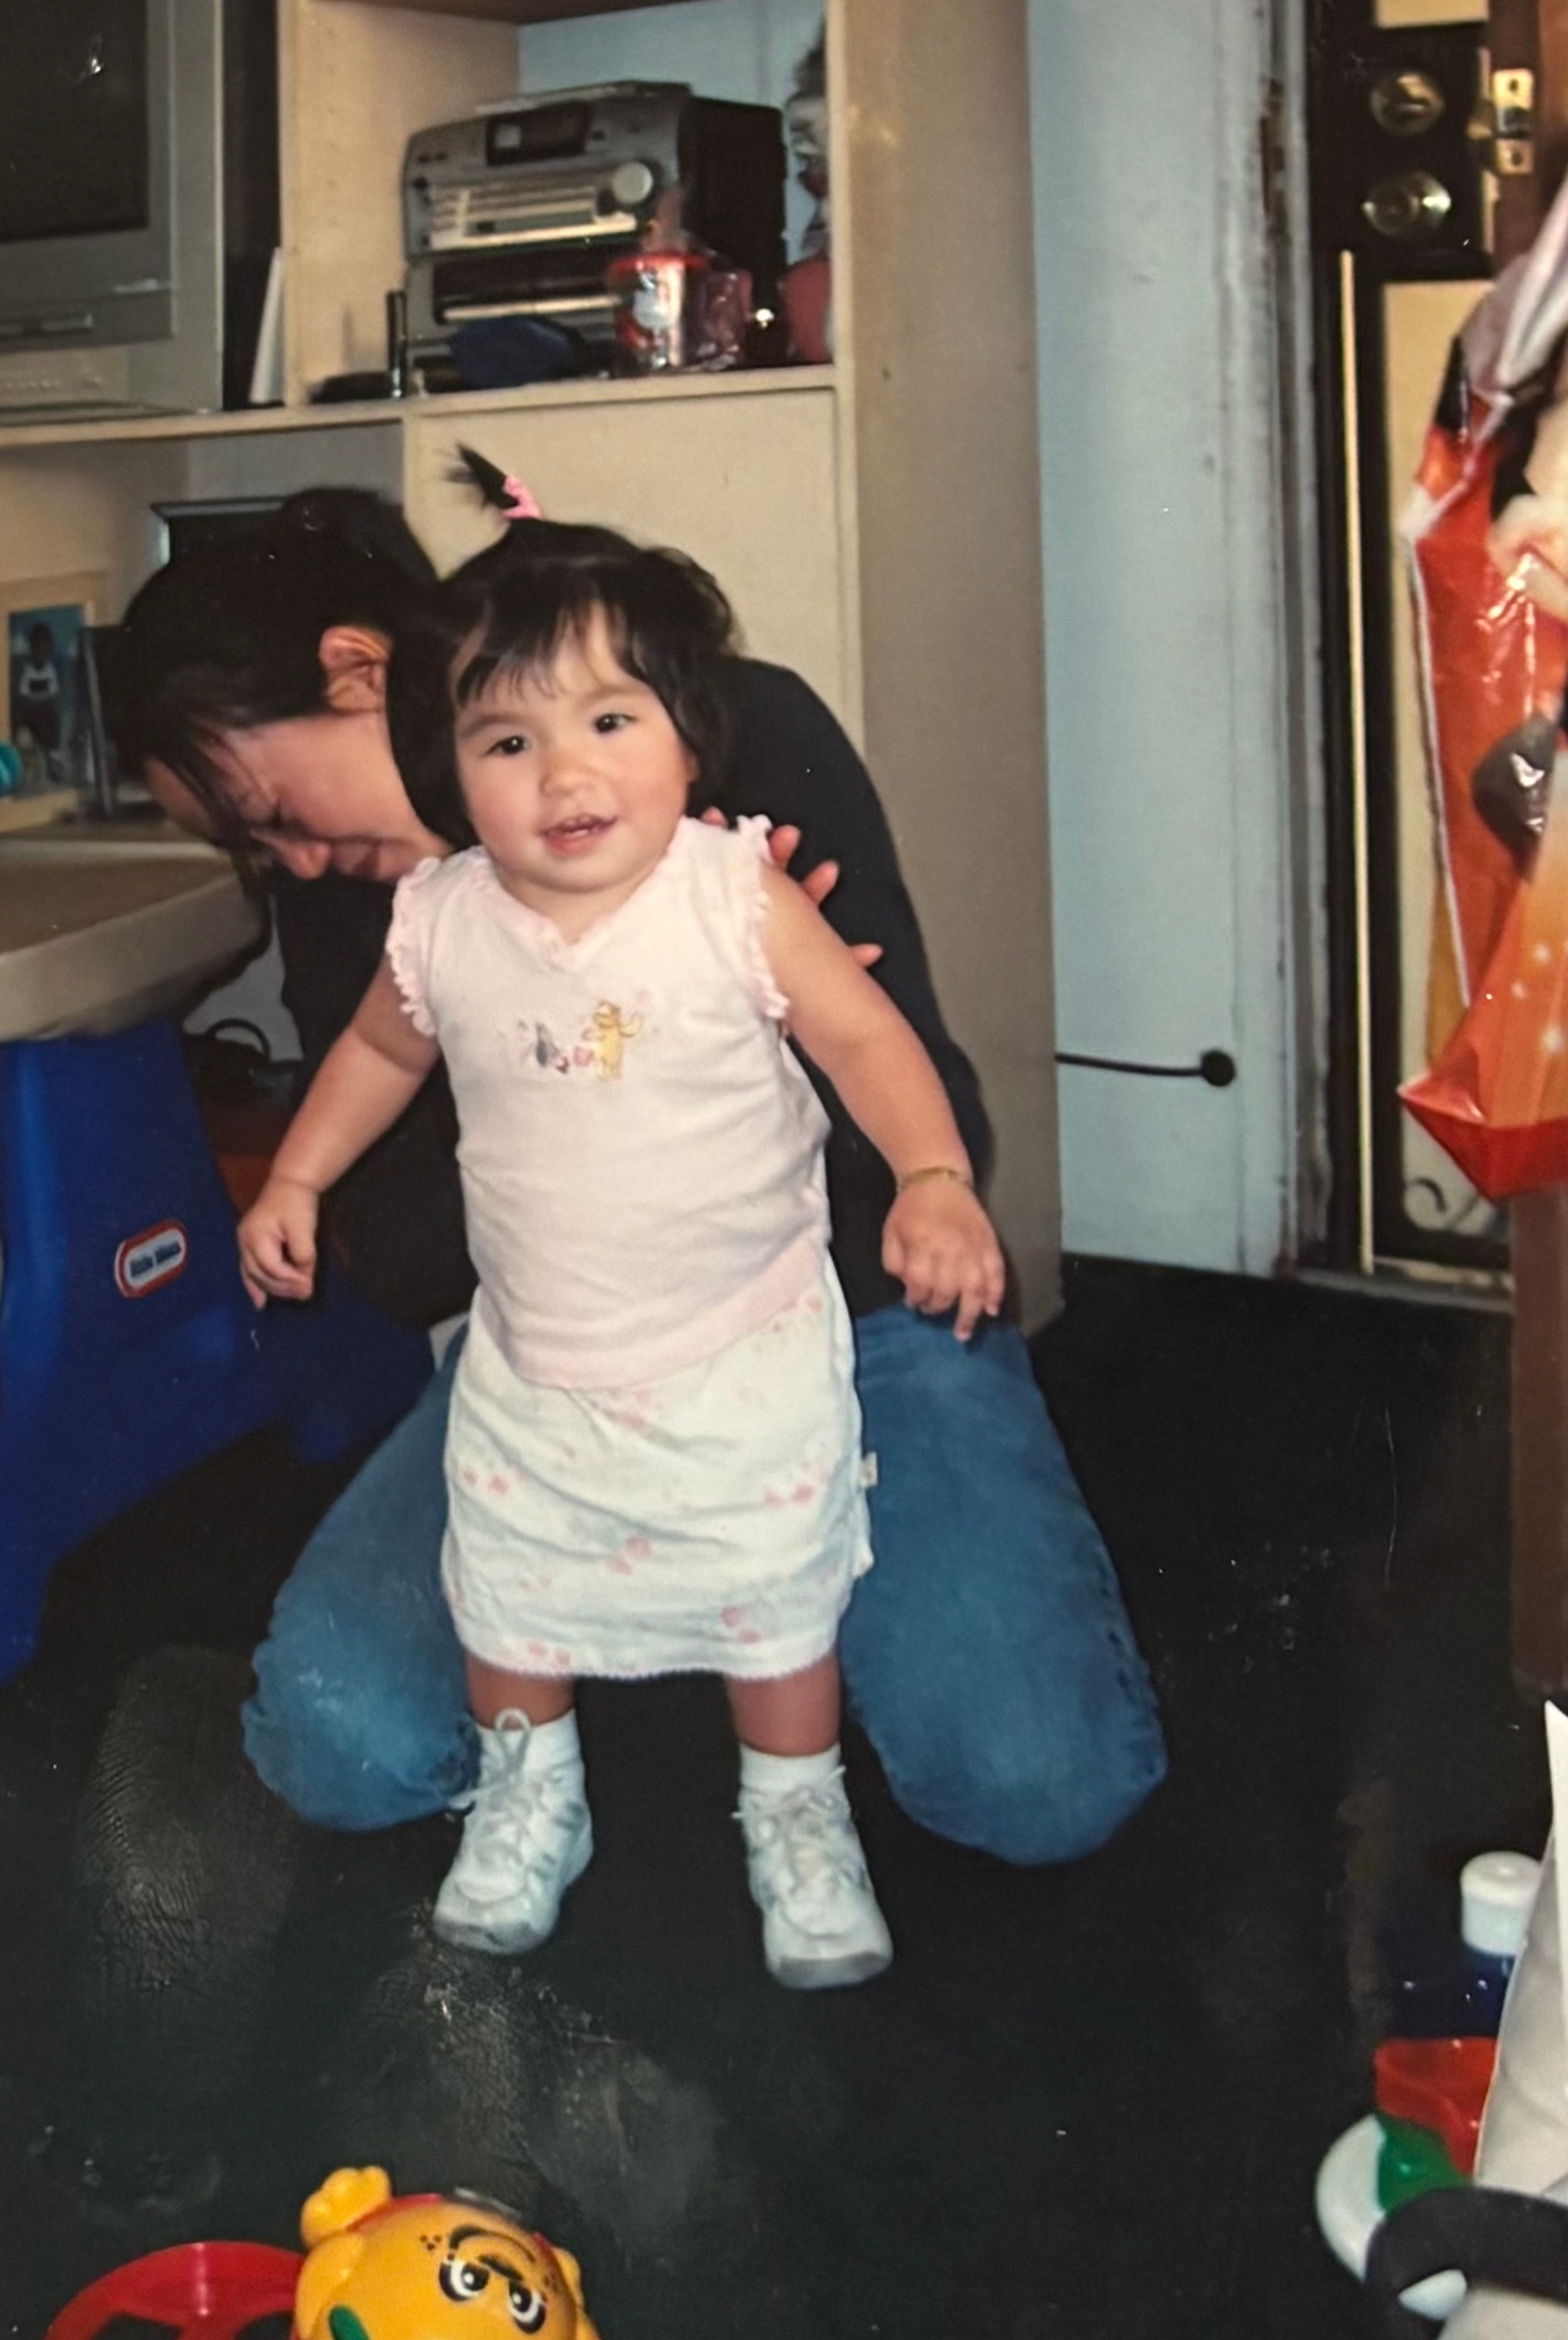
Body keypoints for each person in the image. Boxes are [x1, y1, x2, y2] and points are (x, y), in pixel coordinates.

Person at [110, 478, 1165, 1872]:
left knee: (1035, 1778)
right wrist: (506, 1046)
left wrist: (752, 1032)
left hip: (830, 1323)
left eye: (273, 807)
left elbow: (919, 1120)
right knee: (340, 1741)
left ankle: (740, 1617)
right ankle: (650, 1627)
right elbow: (412, 1260)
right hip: (560, 1362)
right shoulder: (385, 908)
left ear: (360, 673)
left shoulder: (728, 742)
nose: (295, 861)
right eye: (257, 851)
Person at [237, 498, 1007, 1984]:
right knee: (512, 1589)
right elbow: (376, 1058)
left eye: (608, 717)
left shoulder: (733, 892)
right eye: (508, 742)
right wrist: (295, 1180)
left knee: (772, 1592)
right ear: (451, 775)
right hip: (535, 1366)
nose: (564, 773)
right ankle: (535, 1799)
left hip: (740, 1350)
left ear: (688, 738)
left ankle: (795, 1812)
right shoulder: (442, 917)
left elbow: (865, 1036)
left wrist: (931, 1176)